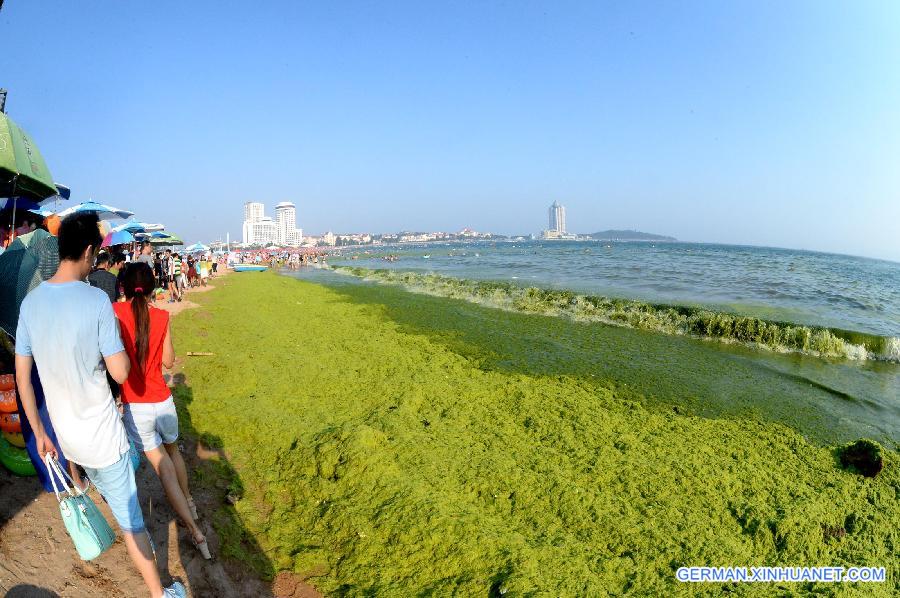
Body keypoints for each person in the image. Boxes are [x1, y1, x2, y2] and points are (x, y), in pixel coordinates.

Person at [15, 212, 186, 598]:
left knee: (115, 488)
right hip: (103, 439)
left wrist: (41, 433)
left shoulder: (31, 304)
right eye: (96, 254)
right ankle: (161, 593)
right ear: (90, 251)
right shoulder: (95, 300)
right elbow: (122, 373)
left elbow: (23, 378)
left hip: (66, 439)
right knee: (133, 525)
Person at [115, 262, 211, 560]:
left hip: (137, 405)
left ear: (124, 287)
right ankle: (190, 501)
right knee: (174, 453)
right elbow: (169, 361)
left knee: (163, 467)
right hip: (163, 401)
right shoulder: (161, 316)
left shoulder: (116, 314)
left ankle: (193, 527)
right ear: (154, 286)